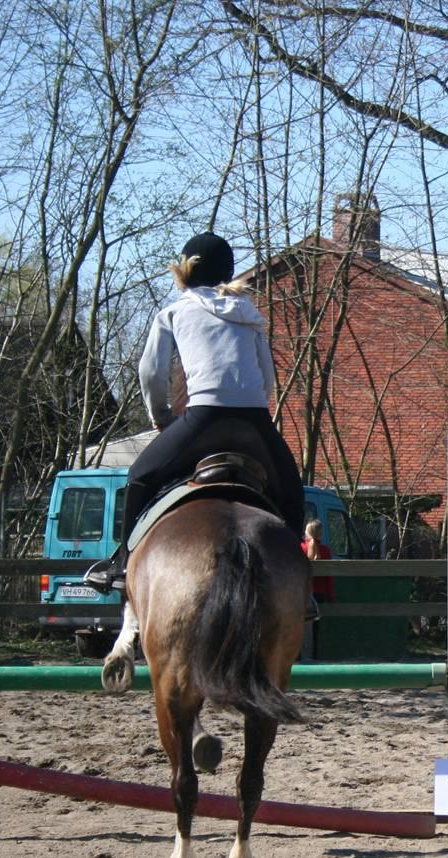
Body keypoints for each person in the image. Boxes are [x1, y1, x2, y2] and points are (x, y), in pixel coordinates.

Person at [89, 231, 304, 592]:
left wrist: (161, 416)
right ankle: (299, 584)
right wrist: (252, 403)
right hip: (255, 422)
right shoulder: (250, 315)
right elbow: (268, 377)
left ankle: (121, 564)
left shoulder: (175, 311)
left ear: (186, 271)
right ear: (227, 272)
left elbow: (152, 373)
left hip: (202, 419)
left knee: (141, 476)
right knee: (292, 490)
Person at [300, 519, 336, 604]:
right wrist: (331, 595)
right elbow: (328, 576)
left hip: (303, 591)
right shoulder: (325, 551)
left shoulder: (300, 548)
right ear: (320, 534)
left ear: (307, 532)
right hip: (320, 593)